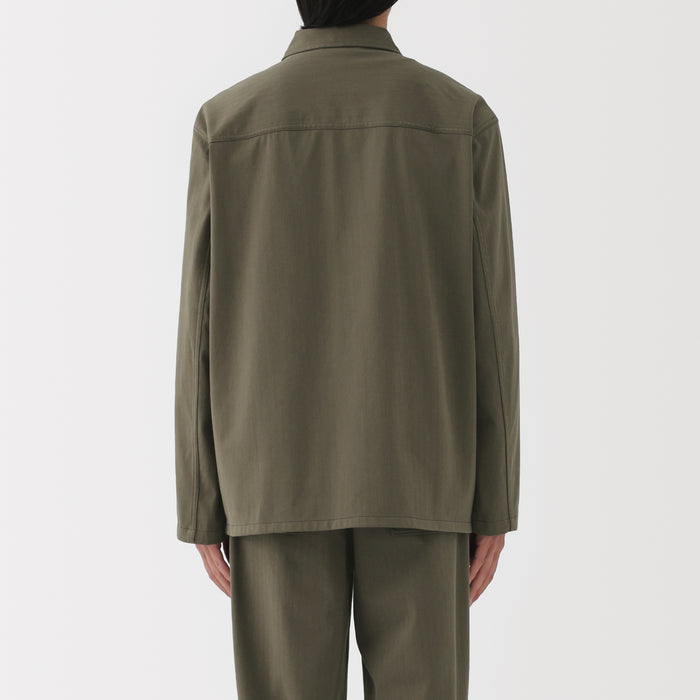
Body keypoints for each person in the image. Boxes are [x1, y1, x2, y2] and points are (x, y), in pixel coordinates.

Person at [173, 1, 521, 697]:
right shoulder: (461, 119)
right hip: (422, 473)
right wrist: (495, 500)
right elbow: (491, 320)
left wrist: (200, 499)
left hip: (271, 476)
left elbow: (199, 323)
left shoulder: (227, 124)